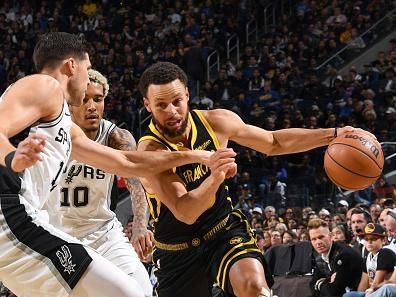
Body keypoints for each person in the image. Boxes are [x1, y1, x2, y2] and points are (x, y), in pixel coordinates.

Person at [0, 32, 231, 297]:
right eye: (87, 70)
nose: (87, 80)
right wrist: (11, 157)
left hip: (24, 225)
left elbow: (128, 162)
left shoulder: (64, 125)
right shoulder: (44, 86)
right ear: (72, 66)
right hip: (11, 215)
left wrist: (195, 156)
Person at [136, 61, 369, 297]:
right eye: (161, 106)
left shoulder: (216, 122)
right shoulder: (150, 152)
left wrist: (334, 134)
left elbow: (273, 142)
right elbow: (185, 211)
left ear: (187, 95)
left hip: (222, 231)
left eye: (177, 102)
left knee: (254, 288)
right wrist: (216, 176)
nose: (172, 112)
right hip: (177, 248)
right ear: (147, 106)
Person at [46, 69, 152, 296]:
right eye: (84, 100)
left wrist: (141, 227)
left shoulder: (117, 138)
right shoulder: (51, 136)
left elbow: (137, 185)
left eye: (98, 99)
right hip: (60, 237)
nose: (92, 106)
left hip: (103, 233)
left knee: (142, 290)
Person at [308, 219, 364, 297]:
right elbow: (312, 285)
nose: (318, 242)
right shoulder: (319, 256)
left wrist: (320, 284)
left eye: (321, 237)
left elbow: (334, 292)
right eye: (313, 239)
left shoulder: (343, 254)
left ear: (331, 236)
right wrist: (327, 282)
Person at [343, 223, 396, 297]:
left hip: (385, 291)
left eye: (373, 239)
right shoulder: (368, 256)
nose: (369, 242)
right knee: (349, 295)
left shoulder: (385, 253)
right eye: (366, 239)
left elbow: (376, 283)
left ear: (383, 240)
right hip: (375, 292)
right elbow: (363, 284)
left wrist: (369, 292)